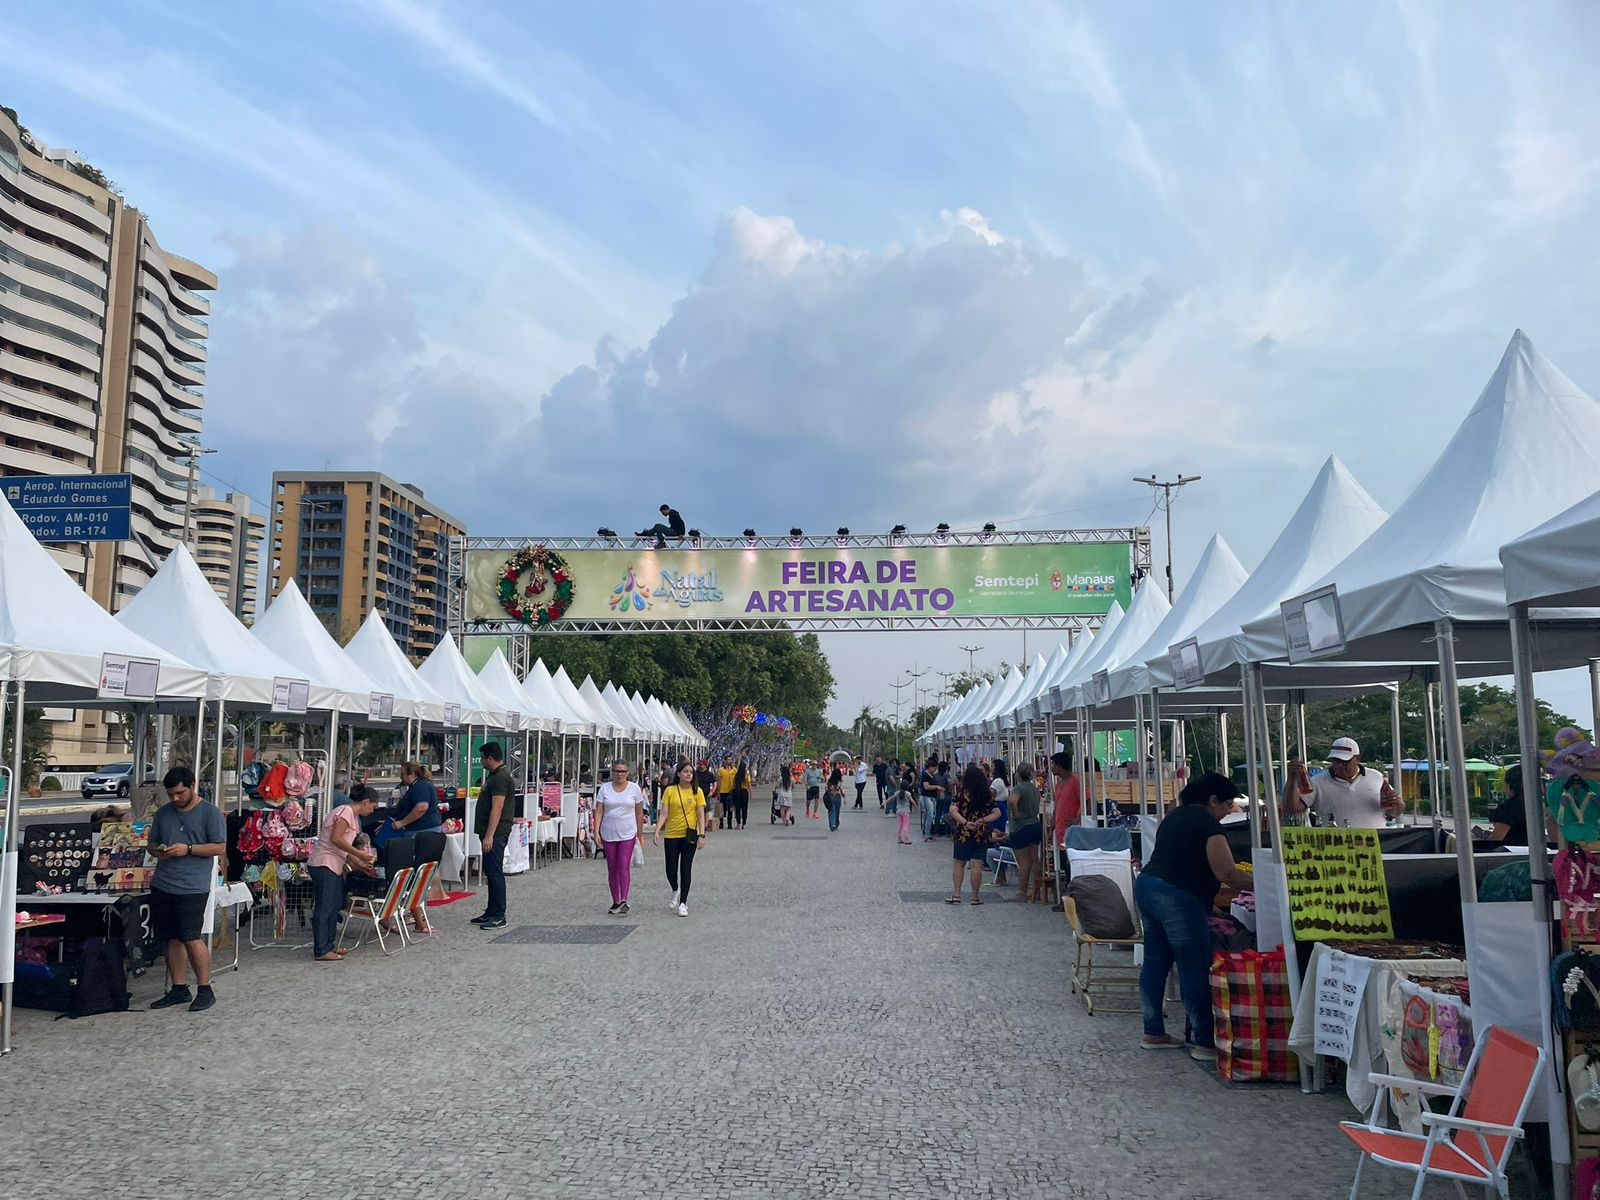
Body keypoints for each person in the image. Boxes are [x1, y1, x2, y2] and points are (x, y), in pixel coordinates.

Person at [1135, 773, 1255, 1060]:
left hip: (1149, 886)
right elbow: (1226, 873)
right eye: (1226, 804)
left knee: (1155, 961)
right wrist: (1270, 881)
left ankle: (1153, 1030)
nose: (1229, 811)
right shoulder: (1208, 825)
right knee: (1194, 965)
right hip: (1177, 894)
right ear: (1212, 800)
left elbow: (1183, 859)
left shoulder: (1175, 816)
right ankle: (1204, 1040)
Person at [146, 767, 228, 1012]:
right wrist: (158, 850)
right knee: (171, 937)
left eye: (180, 793)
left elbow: (219, 847)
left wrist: (188, 849)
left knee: (191, 937)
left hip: (192, 886)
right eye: (171, 794)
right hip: (164, 883)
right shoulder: (163, 813)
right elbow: (151, 843)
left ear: (194, 785)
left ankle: (205, 988)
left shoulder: (209, 813)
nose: (175, 799)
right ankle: (179, 988)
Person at [309, 786, 380, 961]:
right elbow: (336, 839)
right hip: (324, 863)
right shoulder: (346, 811)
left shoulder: (350, 815)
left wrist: (360, 864)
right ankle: (321, 949)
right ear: (365, 802)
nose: (372, 811)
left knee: (333, 906)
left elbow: (344, 849)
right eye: (373, 806)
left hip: (333, 863)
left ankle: (329, 945)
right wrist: (360, 854)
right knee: (325, 906)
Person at [1282, 738, 1403, 828]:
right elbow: (1291, 808)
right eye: (1335, 761)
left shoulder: (1376, 776)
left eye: (1344, 762)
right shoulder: (1318, 781)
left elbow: (1391, 812)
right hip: (1337, 846)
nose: (1339, 766)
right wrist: (1292, 779)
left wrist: (1398, 805)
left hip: (1376, 842)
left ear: (1357, 759)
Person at [471, 742, 516, 930]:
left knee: (494, 871)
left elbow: (497, 808)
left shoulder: (500, 777)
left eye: (482, 757)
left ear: (490, 757)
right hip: (491, 831)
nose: (481, 761)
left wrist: (489, 835)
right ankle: (491, 910)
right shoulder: (495, 776)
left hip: (496, 832)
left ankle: (499, 915)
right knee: (490, 870)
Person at [653, 762, 707, 917]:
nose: (688, 774)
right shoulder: (670, 790)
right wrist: (657, 830)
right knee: (670, 868)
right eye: (685, 771)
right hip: (671, 834)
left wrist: (702, 835)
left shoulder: (697, 791)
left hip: (689, 834)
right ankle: (675, 889)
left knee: (685, 868)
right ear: (678, 774)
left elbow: (700, 815)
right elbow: (664, 813)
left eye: (691, 772)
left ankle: (683, 902)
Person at [594, 760, 646, 915]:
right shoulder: (605, 788)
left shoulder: (634, 789)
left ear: (627, 773)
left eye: (623, 771)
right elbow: (599, 811)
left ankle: (624, 899)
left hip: (628, 833)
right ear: (613, 772)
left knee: (623, 865)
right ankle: (615, 900)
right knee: (612, 867)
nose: (619, 774)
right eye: (617, 771)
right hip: (608, 832)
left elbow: (639, 812)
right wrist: (596, 832)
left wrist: (640, 833)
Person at [947, 765, 1000, 905]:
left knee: (959, 863)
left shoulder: (960, 794)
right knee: (976, 865)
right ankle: (975, 897)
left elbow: (953, 811)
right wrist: (983, 820)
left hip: (963, 834)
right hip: (980, 833)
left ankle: (957, 894)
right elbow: (997, 813)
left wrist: (965, 822)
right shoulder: (986, 795)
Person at [1005, 763, 1044, 901]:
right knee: (1035, 858)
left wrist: (1015, 813)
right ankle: (1038, 890)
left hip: (1020, 827)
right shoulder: (1034, 789)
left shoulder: (1019, 788)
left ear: (1018, 774)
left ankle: (1022, 892)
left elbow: (1012, 801)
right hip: (1035, 824)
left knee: (1023, 861)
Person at [1050, 753, 1083, 848]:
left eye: (1053, 764)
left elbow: (1088, 801)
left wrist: (1077, 819)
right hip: (1059, 830)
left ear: (1059, 766)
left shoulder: (1075, 782)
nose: (1051, 768)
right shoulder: (1058, 785)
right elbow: (1057, 806)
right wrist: (1052, 827)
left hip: (1071, 830)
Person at [919, 755, 944, 841]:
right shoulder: (925, 775)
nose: (935, 770)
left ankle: (928, 833)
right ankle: (927, 834)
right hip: (927, 797)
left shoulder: (931, 775)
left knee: (930, 816)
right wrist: (936, 787)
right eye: (934, 768)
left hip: (932, 797)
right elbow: (926, 786)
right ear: (930, 767)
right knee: (929, 816)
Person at [894, 776, 915, 845]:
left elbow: (891, 798)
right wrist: (917, 807)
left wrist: (884, 803)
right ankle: (907, 839)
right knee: (906, 826)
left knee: (900, 825)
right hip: (906, 811)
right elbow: (912, 801)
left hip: (898, 811)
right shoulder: (907, 793)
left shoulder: (897, 793)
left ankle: (899, 839)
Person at [824, 767, 845, 832]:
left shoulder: (829, 781)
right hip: (838, 797)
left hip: (830, 797)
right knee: (837, 811)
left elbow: (827, 789)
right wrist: (844, 797)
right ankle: (836, 824)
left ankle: (832, 824)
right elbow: (841, 789)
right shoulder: (839, 781)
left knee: (831, 811)